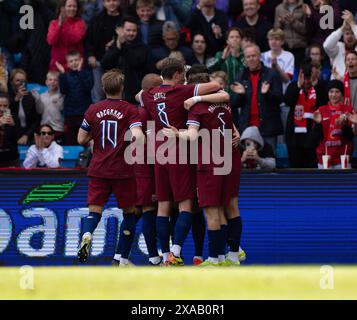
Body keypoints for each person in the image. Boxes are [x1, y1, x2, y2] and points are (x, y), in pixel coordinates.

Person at [139, 58, 227, 266]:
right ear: (178, 74)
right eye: (182, 74)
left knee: (163, 206)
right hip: (179, 149)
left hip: (159, 152)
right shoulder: (183, 91)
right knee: (186, 204)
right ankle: (175, 253)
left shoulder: (149, 94)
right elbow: (217, 86)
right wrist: (193, 95)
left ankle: (164, 253)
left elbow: (138, 95)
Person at [163, 71, 243, 266]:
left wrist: (176, 133)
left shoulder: (197, 108)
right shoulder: (224, 104)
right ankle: (230, 256)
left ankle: (214, 259)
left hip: (210, 163)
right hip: (230, 159)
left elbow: (191, 135)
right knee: (229, 207)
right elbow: (229, 116)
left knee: (211, 210)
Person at [77, 69, 145, 266]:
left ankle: (88, 233)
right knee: (129, 213)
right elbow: (137, 135)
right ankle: (121, 260)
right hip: (123, 170)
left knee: (94, 211)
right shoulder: (130, 110)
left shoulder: (93, 109)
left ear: (103, 88)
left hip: (98, 168)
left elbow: (80, 138)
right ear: (122, 88)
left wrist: (94, 136)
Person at [113, 73, 163, 266]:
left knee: (133, 213)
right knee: (148, 210)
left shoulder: (132, 111)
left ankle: (120, 258)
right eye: (159, 88)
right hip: (144, 169)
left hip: (129, 168)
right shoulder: (146, 114)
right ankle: (153, 257)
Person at [231, 44, 283, 153]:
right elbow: (234, 104)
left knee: (270, 161)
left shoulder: (272, 74)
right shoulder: (240, 76)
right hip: (247, 128)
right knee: (248, 163)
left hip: (268, 127)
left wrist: (267, 93)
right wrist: (240, 94)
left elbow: (279, 99)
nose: (251, 59)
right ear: (245, 59)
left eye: (254, 56)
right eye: (248, 57)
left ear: (260, 56)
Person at [101, 16, 155, 104]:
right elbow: (105, 64)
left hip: (135, 97)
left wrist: (123, 45)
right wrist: (117, 48)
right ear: (122, 30)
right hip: (114, 95)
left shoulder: (143, 48)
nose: (131, 33)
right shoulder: (114, 46)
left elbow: (136, 63)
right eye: (128, 30)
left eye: (134, 31)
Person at [284, 61, 328, 168]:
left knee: (312, 171)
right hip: (295, 139)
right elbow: (287, 100)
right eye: (305, 75)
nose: (307, 78)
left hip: (314, 137)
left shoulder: (320, 87)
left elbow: (324, 103)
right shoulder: (294, 86)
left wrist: (315, 85)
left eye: (310, 74)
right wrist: (299, 85)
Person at [85, 0, 123, 103]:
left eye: (114, 0)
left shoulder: (124, 19)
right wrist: (90, 55)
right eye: (108, 1)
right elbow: (88, 39)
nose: (112, 3)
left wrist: (115, 41)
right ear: (104, 3)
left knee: (119, 93)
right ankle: (98, 118)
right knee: (99, 95)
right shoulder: (96, 18)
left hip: (118, 63)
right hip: (98, 61)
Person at [312, 80, 354, 169]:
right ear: (327, 93)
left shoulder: (348, 110)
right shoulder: (321, 110)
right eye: (331, 91)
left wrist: (343, 125)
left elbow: (351, 136)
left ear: (342, 94)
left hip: (342, 159)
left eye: (337, 92)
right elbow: (315, 138)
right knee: (325, 183)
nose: (334, 95)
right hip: (324, 158)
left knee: (344, 183)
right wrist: (319, 124)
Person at [57, 50, 94, 145]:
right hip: (70, 114)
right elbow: (63, 90)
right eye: (71, 61)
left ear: (81, 60)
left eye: (76, 60)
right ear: (68, 64)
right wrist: (62, 74)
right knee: (70, 140)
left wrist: (80, 72)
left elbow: (88, 87)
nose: (74, 63)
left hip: (84, 113)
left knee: (85, 140)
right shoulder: (65, 75)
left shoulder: (87, 73)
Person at [47, 0, 86, 72]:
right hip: (57, 66)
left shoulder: (80, 23)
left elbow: (75, 39)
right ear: (63, 8)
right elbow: (51, 41)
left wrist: (64, 23)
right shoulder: (54, 23)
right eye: (69, 6)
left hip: (74, 66)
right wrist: (59, 25)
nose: (72, 9)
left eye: (74, 6)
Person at [8, 69, 40, 146]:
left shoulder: (30, 96)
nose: (21, 83)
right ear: (12, 82)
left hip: (29, 134)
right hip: (12, 134)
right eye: (17, 80)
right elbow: (6, 114)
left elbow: (36, 120)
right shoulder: (7, 96)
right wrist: (16, 99)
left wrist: (26, 135)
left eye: (23, 81)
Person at [207, 27, 245, 92]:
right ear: (227, 41)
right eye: (232, 37)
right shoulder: (220, 54)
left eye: (237, 37)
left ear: (241, 40)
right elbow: (209, 69)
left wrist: (237, 57)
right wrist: (222, 59)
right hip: (224, 91)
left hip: (241, 90)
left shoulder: (245, 55)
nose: (235, 39)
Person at [323, 10, 357, 80]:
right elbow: (326, 45)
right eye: (347, 33)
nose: (350, 36)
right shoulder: (338, 47)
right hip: (337, 87)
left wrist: (352, 24)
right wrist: (342, 28)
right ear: (343, 36)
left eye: (353, 33)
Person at [32, 71, 64, 144]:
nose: (53, 82)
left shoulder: (61, 95)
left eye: (55, 80)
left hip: (57, 128)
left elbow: (61, 108)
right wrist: (38, 100)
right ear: (46, 82)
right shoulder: (42, 96)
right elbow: (39, 111)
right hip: (44, 128)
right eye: (50, 80)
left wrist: (59, 101)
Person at [274, 0, 307, 68]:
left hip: (300, 47)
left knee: (299, 73)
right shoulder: (279, 8)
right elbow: (275, 31)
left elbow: (306, 30)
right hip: (284, 47)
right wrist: (281, 23)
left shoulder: (304, 7)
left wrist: (293, 21)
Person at [261, 28, 295, 94]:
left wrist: (276, 66)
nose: (273, 42)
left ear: (282, 41)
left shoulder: (289, 56)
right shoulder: (262, 56)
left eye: (276, 39)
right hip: (266, 95)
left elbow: (287, 79)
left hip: (283, 93)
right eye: (271, 39)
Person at [0, 93, 19, 167]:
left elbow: (19, 139)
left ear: (9, 106)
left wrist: (14, 126)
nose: (2, 109)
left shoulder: (14, 118)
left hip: (10, 158)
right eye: (0, 105)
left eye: (5, 106)